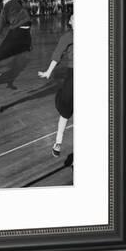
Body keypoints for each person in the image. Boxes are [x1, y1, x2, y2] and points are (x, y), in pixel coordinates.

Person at [38, 14, 73, 157]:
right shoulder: (67, 37)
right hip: (74, 73)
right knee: (65, 108)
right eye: (73, 18)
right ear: (71, 22)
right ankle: (58, 141)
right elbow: (57, 54)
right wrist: (48, 72)